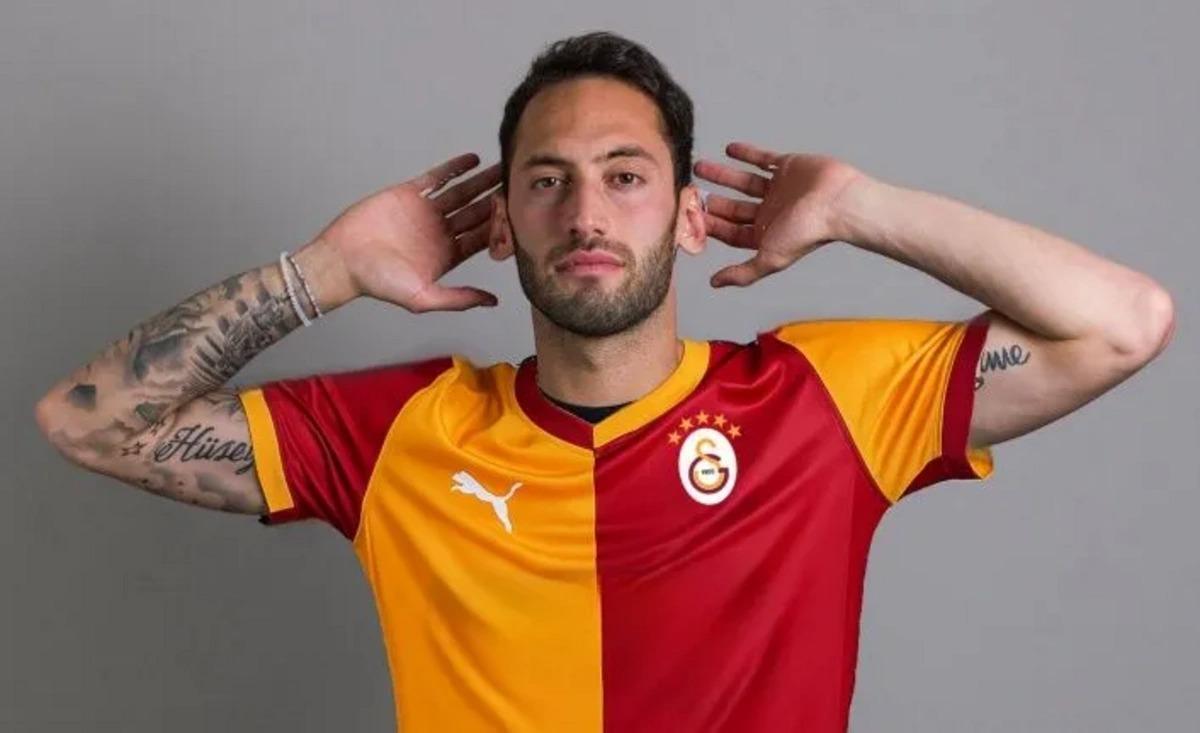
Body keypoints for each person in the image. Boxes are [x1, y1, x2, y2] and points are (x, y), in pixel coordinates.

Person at [33, 30, 1174, 733]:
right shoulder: (404, 434)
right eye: (548, 180)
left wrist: (860, 208)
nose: (585, 213)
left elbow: (1125, 323)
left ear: (689, 215)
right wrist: (326, 271)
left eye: (626, 177)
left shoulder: (824, 401)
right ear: (502, 225)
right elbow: (90, 424)